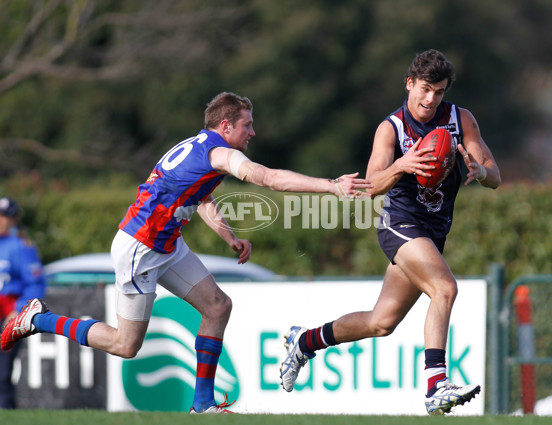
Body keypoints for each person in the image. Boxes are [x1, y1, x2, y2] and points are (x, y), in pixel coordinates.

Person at [0, 92, 371, 414]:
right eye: (247, 125)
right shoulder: (219, 152)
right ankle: (38, 320)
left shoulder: (196, 146)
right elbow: (267, 178)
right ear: (226, 126)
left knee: (218, 307)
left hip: (167, 245)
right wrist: (330, 186)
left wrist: (229, 237)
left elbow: (202, 196)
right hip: (139, 249)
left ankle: (202, 404)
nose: (253, 132)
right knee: (124, 345)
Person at [279, 49, 501, 415]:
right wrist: (402, 164)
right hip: (399, 225)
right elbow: (370, 186)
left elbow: (495, 175)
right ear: (410, 83)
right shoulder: (392, 128)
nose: (431, 99)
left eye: (439, 91)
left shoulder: (461, 120)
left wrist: (480, 170)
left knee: (381, 322)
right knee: (445, 288)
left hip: (432, 233)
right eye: (426, 89)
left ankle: (304, 342)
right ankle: (436, 385)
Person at [0, 197, 47, 409]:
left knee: (1, 374)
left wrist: (18, 311)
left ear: (14, 220)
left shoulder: (21, 246)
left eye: (5, 217)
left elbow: (35, 284)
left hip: (7, 316)